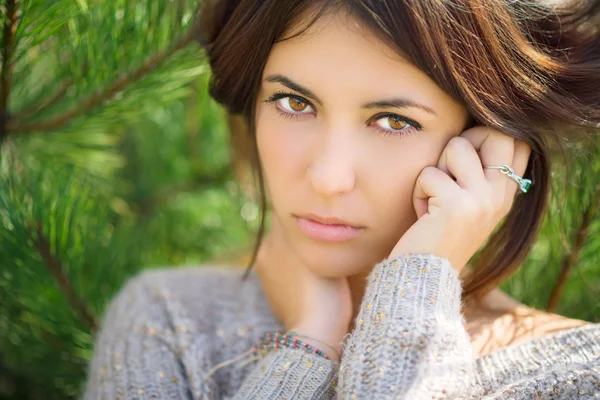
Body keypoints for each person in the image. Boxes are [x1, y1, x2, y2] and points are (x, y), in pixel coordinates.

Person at [83, 0, 600, 398]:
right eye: (293, 102)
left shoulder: (573, 372)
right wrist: (309, 345)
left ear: (485, 143)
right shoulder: (172, 322)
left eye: (395, 121)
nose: (329, 178)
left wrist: (415, 286)